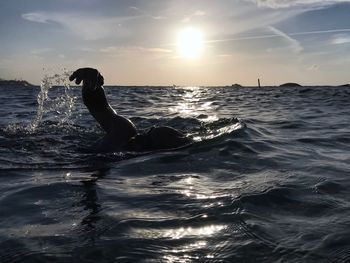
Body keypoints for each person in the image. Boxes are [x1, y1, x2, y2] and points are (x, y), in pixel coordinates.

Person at [69, 68, 192, 152]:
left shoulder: (125, 138)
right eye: (149, 131)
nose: (139, 136)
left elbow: (99, 107)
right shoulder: (126, 133)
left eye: (148, 137)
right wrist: (92, 84)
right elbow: (100, 107)